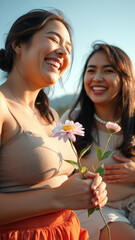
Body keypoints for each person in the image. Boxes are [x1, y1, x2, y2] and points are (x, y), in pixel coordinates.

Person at [0, 10, 108, 240]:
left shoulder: (48, 113)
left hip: (69, 230)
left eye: (68, 48)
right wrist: (58, 197)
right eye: (53, 39)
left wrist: (86, 185)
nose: (63, 51)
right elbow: (54, 193)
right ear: (18, 45)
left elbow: (54, 178)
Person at [61, 42, 135, 240]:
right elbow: (57, 172)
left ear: (125, 78)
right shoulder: (71, 121)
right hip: (96, 209)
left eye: (108, 70)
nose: (97, 78)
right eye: (91, 71)